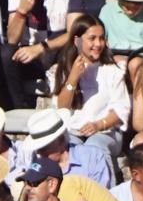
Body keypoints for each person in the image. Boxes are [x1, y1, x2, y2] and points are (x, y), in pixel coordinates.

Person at [4, 0, 100, 110]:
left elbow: (74, 32)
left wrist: (41, 47)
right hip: (28, 54)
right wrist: (22, 11)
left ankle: (69, 106)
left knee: (74, 47)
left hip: (57, 51)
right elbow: (12, 39)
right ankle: (18, 108)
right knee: (6, 53)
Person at [53, 16, 131, 158]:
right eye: (92, 38)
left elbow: (120, 110)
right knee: (70, 149)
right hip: (74, 131)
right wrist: (73, 78)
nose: (98, 44)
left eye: (101, 38)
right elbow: (62, 107)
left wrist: (98, 125)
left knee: (94, 147)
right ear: (77, 41)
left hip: (106, 132)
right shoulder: (65, 69)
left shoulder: (112, 69)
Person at [17, 108, 115, 189]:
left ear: (61, 141)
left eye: (44, 147)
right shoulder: (36, 162)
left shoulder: (92, 158)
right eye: (37, 148)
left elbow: (102, 196)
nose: (39, 153)